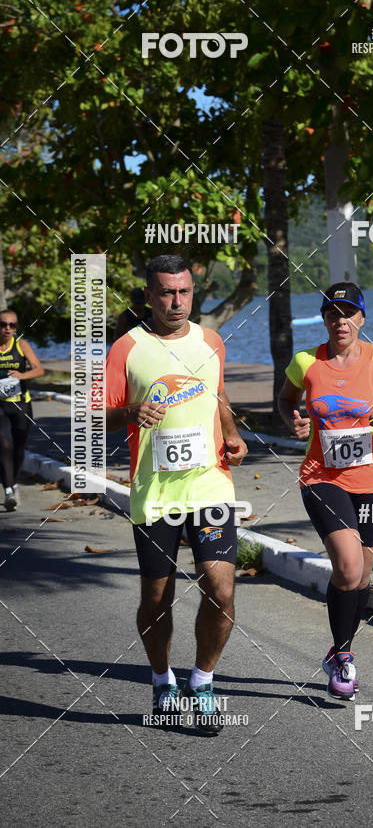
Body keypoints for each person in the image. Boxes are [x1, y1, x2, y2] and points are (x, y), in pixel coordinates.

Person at [105, 255, 247, 734]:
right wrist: (131, 411)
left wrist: (231, 433)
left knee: (221, 587)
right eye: (166, 292)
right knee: (157, 597)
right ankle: (163, 680)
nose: (176, 301)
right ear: (149, 295)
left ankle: (203, 683)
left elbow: (217, 394)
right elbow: (96, 417)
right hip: (155, 491)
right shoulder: (127, 348)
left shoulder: (210, 340)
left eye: (184, 292)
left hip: (210, 481)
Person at [278, 283, 373, 701]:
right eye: (332, 313)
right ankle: (342, 657)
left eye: (348, 313)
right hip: (321, 476)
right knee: (347, 566)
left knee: (363, 576)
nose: (340, 321)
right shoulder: (306, 362)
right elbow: (285, 402)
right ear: (324, 319)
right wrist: (294, 421)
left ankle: (342, 651)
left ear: (361, 318)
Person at [0, 309, 45, 511]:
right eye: (3, 324)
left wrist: (21, 375)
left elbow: (39, 369)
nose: (8, 329)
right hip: (0, 406)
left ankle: (13, 482)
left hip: (20, 405)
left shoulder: (21, 344)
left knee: (18, 449)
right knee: (4, 446)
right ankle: (8, 490)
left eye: (12, 325)